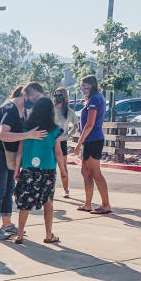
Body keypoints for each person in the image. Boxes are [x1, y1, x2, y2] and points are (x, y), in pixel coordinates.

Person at [0, 83, 47, 240]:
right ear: (25, 95)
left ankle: (7, 223)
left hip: (9, 156)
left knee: (7, 190)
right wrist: (29, 135)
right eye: (36, 98)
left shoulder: (23, 111)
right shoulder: (9, 109)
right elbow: (3, 135)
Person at [13, 96, 63, 244]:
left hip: (28, 168)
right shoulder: (55, 130)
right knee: (48, 200)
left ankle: (20, 234)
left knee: (25, 201)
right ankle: (48, 235)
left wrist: (17, 169)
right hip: (48, 169)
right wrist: (64, 170)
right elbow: (58, 152)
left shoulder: (26, 128)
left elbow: (20, 151)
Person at [74, 75, 111, 214]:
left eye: (85, 86)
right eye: (81, 86)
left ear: (91, 85)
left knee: (96, 173)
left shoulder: (95, 98)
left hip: (93, 139)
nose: (83, 89)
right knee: (85, 172)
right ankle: (88, 203)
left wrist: (79, 143)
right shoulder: (94, 98)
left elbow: (90, 124)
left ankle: (106, 204)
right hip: (90, 140)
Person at [53, 87, 77, 198]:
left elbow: (76, 125)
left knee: (63, 167)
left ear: (64, 97)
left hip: (62, 142)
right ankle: (49, 190)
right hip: (50, 142)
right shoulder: (50, 109)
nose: (57, 97)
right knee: (49, 168)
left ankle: (66, 189)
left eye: (59, 95)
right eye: (55, 95)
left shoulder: (69, 111)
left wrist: (69, 135)